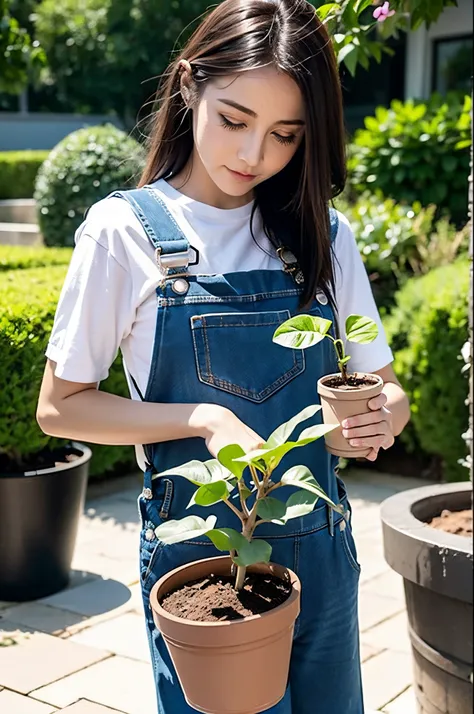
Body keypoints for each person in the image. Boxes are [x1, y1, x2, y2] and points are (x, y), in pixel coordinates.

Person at [37, 0, 410, 712]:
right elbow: (60, 407)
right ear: (188, 87)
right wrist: (204, 418)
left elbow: (386, 389)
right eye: (234, 120)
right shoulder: (126, 232)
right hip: (202, 558)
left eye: (285, 135)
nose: (253, 156)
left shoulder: (324, 235)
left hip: (322, 549)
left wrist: (374, 419)